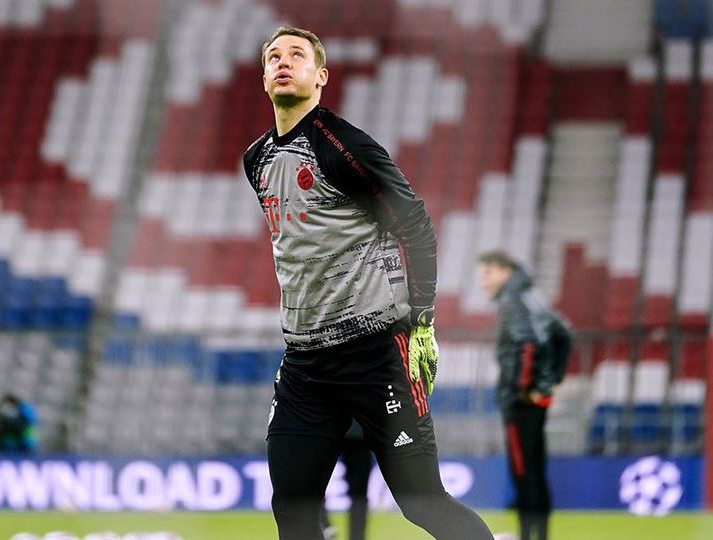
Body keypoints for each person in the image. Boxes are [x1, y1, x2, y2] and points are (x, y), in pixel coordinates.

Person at [243, 25, 494, 540]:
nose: (283, 62)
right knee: (292, 509)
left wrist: (422, 324)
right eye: (273, 57)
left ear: (321, 77)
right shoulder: (258, 160)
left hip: (376, 353)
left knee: (423, 504)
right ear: (264, 77)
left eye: (296, 55)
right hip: (305, 364)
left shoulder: (344, 148)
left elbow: (416, 225)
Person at [477, 250, 573, 540]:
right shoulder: (532, 296)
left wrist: (524, 390)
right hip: (536, 399)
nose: (484, 281)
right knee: (536, 471)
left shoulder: (512, 300)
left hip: (521, 402)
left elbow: (525, 344)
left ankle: (526, 535)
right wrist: (550, 380)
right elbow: (563, 334)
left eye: (488, 273)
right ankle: (540, 536)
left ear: (506, 272)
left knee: (523, 473)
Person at [320, 421, 373, 540]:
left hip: (331, 427)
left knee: (314, 482)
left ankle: (325, 527)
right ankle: (326, 527)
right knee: (359, 492)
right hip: (355, 429)